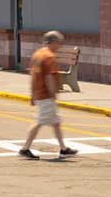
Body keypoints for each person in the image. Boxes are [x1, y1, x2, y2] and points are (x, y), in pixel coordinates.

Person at [18, 31, 78, 160]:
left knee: (55, 122)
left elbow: (33, 76)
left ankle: (63, 149)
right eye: (59, 43)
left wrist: (32, 94)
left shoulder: (38, 55)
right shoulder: (49, 57)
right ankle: (25, 148)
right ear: (53, 42)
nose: (60, 46)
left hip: (39, 93)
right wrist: (53, 94)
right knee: (39, 121)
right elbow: (49, 77)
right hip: (46, 95)